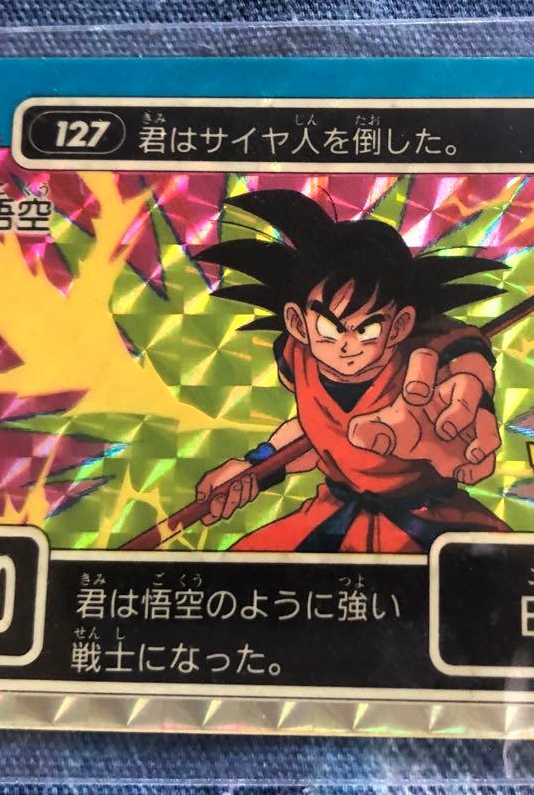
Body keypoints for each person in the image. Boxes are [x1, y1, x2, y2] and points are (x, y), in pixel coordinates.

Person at [193, 189, 509, 553]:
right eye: (329, 327)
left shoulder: (419, 362)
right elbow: (317, 432)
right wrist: (255, 467)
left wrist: (471, 389)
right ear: (297, 323)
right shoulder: (299, 359)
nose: (347, 344)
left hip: (428, 518)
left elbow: (458, 352)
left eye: (367, 329)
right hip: (336, 511)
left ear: (399, 327)